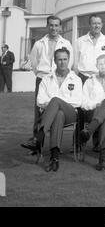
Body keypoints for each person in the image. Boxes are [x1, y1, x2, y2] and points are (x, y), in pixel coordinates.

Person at [21, 47, 82, 172]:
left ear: (69, 60)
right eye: (59, 59)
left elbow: (78, 101)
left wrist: (57, 102)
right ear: (54, 60)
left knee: (55, 100)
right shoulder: (46, 79)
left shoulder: (76, 79)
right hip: (55, 116)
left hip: (71, 114)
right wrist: (56, 105)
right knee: (58, 114)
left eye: (65, 59)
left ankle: (39, 136)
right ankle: (55, 159)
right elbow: (40, 101)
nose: (62, 62)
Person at [21, 15, 73, 149]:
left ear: (60, 27)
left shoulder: (66, 44)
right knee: (39, 111)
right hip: (43, 79)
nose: (53, 28)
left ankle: (53, 143)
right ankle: (36, 145)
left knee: (57, 109)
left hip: (59, 79)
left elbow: (69, 62)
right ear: (47, 26)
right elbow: (34, 63)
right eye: (51, 25)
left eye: (56, 25)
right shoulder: (39, 43)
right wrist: (42, 75)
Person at [74, 14, 105, 151]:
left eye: (99, 23)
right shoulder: (80, 41)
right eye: (94, 23)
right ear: (89, 25)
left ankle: (97, 143)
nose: (96, 25)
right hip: (84, 77)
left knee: (99, 108)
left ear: (102, 25)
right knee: (81, 111)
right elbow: (75, 63)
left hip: (100, 78)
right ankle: (78, 143)